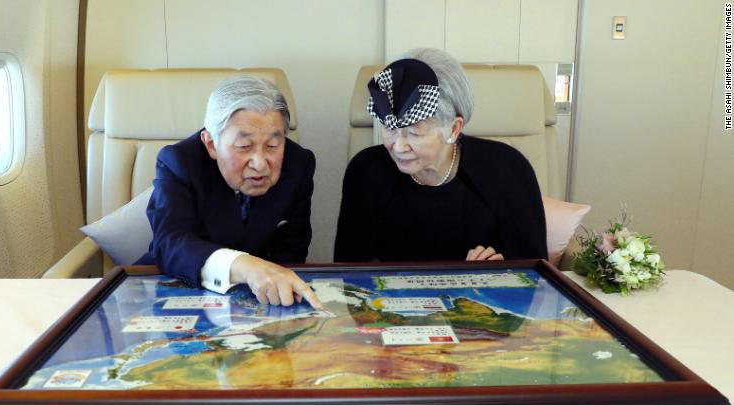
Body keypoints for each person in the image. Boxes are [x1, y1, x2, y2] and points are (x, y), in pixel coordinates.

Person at [334, 48, 547, 263]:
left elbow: (535, 274)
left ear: (454, 129)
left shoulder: (507, 170)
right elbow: (347, 271)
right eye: (390, 128)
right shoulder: (365, 171)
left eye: (415, 132)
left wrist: (497, 273)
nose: (398, 146)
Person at [137, 76, 322, 309]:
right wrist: (244, 266)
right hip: (180, 290)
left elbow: (293, 248)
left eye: (273, 146)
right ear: (211, 144)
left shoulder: (298, 163)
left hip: (259, 301)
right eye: (244, 147)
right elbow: (169, 242)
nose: (260, 164)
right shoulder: (180, 161)